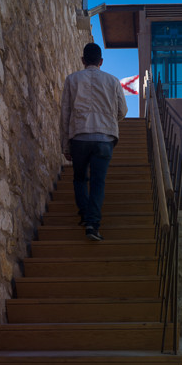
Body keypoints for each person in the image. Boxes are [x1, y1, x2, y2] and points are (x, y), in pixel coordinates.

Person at [60, 43, 127, 241]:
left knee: (80, 178)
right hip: (104, 139)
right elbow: (122, 111)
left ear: (83, 60)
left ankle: (84, 213)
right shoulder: (113, 81)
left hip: (79, 137)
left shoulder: (72, 80)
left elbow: (65, 115)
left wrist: (65, 144)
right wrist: (108, 120)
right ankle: (92, 224)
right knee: (98, 182)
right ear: (101, 61)